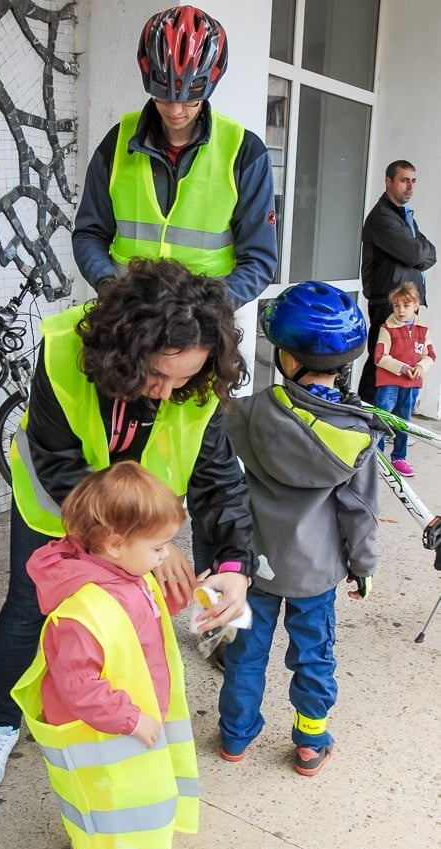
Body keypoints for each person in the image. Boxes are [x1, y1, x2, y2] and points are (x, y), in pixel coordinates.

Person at [0, 257, 257, 793]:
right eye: (156, 375)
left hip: (138, 528)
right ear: (128, 350)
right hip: (55, 506)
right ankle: (1, 722)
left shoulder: (193, 386)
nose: (168, 393)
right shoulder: (63, 357)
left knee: (120, 620)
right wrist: (148, 539)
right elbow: (58, 465)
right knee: (29, 609)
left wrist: (235, 565)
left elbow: (219, 481)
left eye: (185, 379)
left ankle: (98, 713)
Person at [213, 282, 389, 777]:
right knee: (314, 655)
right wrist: (363, 566)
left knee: (244, 653)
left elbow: (220, 475)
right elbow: (359, 512)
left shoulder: (248, 414)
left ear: (286, 359)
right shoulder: (356, 435)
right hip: (316, 573)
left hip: (254, 564)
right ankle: (311, 744)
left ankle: (234, 736)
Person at [12, 462, 197, 849]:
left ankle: (90, 846)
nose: (165, 555)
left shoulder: (125, 573)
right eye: (158, 547)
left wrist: (190, 591)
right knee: (101, 807)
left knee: (101, 801)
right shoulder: (83, 609)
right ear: (115, 544)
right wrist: (131, 719)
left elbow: (147, 611)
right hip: (102, 730)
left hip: (122, 719)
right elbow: (80, 688)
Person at [72, 5, 277, 309]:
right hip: (129, 321)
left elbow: (258, 260)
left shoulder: (245, 152)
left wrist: (210, 309)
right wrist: (107, 285)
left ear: (209, 86)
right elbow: (89, 233)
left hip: (203, 330)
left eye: (190, 99)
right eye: (164, 97)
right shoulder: (117, 143)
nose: (176, 110)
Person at [358, 160, 436, 403]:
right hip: (388, 303)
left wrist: (417, 253)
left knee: (404, 363)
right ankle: (367, 422)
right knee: (380, 363)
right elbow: (414, 254)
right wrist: (416, 254)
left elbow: (431, 252)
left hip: (405, 302)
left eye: (413, 181)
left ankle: (389, 424)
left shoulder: (404, 218)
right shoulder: (382, 217)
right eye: (404, 180)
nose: (410, 187)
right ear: (388, 181)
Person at [373, 281, 436, 477]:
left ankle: (399, 458)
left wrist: (420, 367)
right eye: (396, 305)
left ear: (416, 305)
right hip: (388, 384)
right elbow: (379, 357)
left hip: (411, 385)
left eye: (406, 306)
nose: (401, 310)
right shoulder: (387, 328)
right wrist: (401, 367)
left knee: (404, 422)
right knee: (382, 420)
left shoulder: (423, 330)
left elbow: (430, 355)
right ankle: (377, 456)